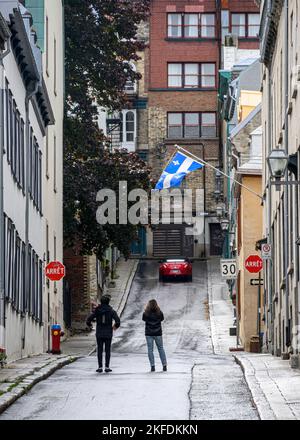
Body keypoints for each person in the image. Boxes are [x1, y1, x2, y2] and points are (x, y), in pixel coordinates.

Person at [86, 295, 120, 373]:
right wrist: (114, 327)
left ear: (101, 302)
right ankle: (107, 366)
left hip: (99, 332)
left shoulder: (97, 310)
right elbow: (117, 321)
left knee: (100, 350)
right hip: (108, 332)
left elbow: (88, 319)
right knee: (107, 350)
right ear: (108, 302)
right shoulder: (111, 311)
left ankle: (100, 367)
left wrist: (90, 325)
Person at [142, 299, 167, 372]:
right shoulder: (159, 313)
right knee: (161, 348)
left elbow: (144, 319)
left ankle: (152, 366)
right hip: (158, 333)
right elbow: (162, 319)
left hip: (149, 333)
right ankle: (164, 365)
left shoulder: (145, 313)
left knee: (150, 349)